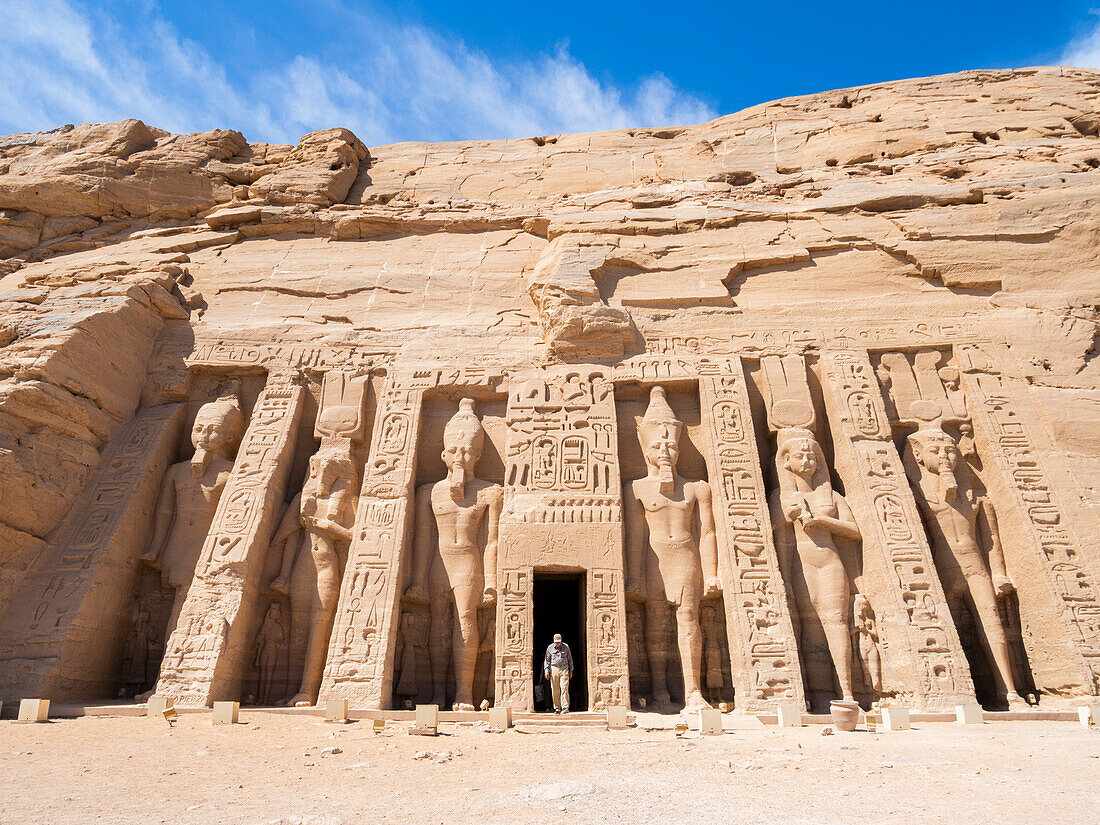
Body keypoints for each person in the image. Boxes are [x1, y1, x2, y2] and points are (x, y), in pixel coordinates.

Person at [543, 633, 574, 714]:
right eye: (556, 642)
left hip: (564, 668)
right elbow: (547, 660)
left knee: (564, 687)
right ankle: (557, 708)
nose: (557, 644)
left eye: (559, 642)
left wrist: (571, 670)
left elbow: (569, 659)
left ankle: (565, 707)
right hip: (554, 668)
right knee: (555, 689)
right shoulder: (550, 648)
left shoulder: (566, 647)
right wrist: (546, 670)